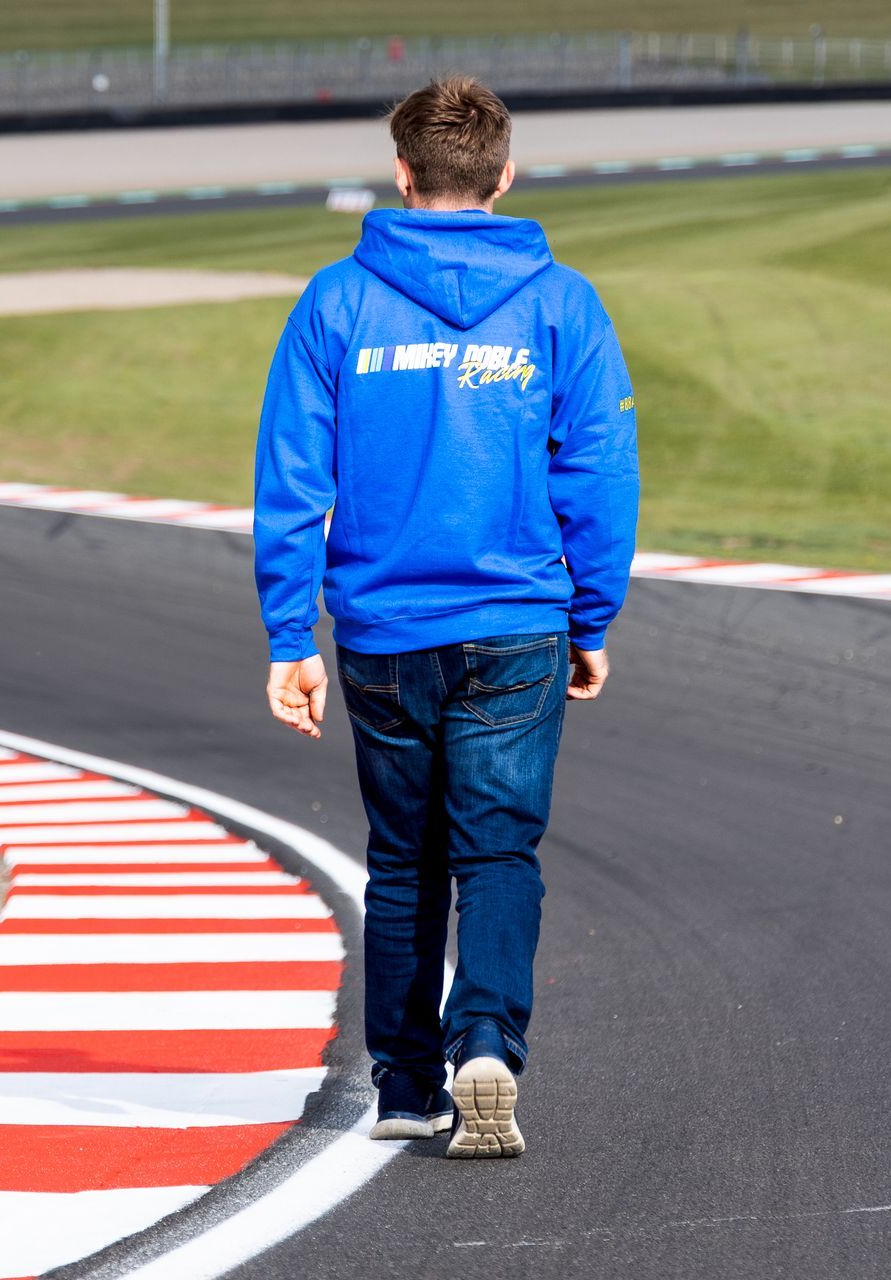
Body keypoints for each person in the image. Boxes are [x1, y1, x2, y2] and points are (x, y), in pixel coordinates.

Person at [252, 76, 639, 1158]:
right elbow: (601, 473)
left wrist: (291, 635)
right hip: (520, 621)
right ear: (504, 175)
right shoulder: (563, 303)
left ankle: (409, 1082)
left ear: (403, 173)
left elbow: (291, 480)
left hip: (382, 631)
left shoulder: (336, 300)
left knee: (406, 858)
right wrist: (593, 617)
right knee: (499, 850)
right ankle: (487, 1043)